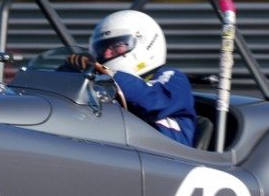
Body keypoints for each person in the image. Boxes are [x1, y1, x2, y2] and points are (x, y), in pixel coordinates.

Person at [65, 10, 197, 145]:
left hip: (167, 159)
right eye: (102, 48)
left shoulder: (172, 78)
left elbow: (152, 101)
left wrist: (106, 73)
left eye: (117, 46)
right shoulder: (101, 82)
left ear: (146, 43)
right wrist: (70, 72)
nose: (107, 54)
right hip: (118, 152)